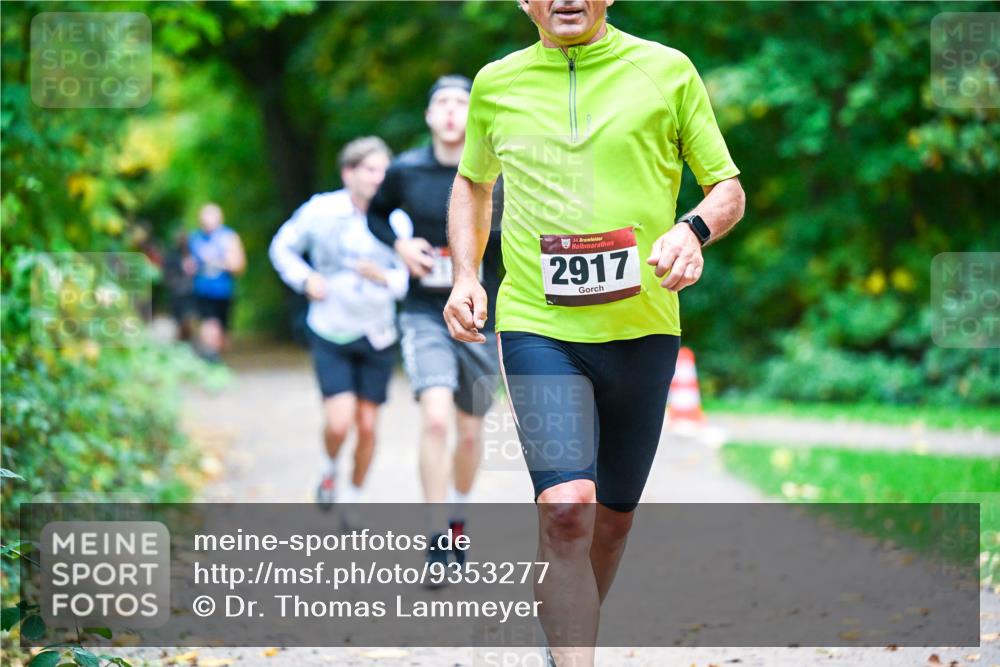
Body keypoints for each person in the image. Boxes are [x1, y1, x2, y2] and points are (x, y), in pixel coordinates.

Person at [443, 1, 746, 664]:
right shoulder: (497, 82)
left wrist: (692, 230)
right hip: (537, 324)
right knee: (566, 508)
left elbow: (726, 187)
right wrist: (466, 274)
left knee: (610, 521)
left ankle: (563, 638)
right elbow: (472, 183)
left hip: (643, 327)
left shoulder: (666, 71)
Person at [367, 75, 504, 572]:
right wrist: (400, 245)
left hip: (482, 318)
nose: (450, 111)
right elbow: (377, 216)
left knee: (469, 433)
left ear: (474, 114)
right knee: (437, 417)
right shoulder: (406, 170)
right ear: (428, 116)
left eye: (460, 103)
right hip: (426, 311)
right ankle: (435, 536)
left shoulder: (497, 169)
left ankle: (459, 518)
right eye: (440, 103)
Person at [270, 137, 409, 527]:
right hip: (330, 328)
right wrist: (306, 278)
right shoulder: (320, 211)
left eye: (384, 171)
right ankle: (329, 466)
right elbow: (281, 248)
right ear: (348, 172)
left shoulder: (397, 219)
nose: (378, 178)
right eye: (370, 169)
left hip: (378, 332)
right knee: (339, 422)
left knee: (367, 426)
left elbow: (412, 277)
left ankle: (355, 498)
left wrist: (385, 276)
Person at [189, 203, 246, 361]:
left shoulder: (228, 237)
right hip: (202, 290)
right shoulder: (195, 238)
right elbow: (190, 263)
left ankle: (218, 355)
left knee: (222, 328)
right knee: (209, 323)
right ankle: (211, 357)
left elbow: (239, 265)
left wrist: (220, 263)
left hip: (223, 290)